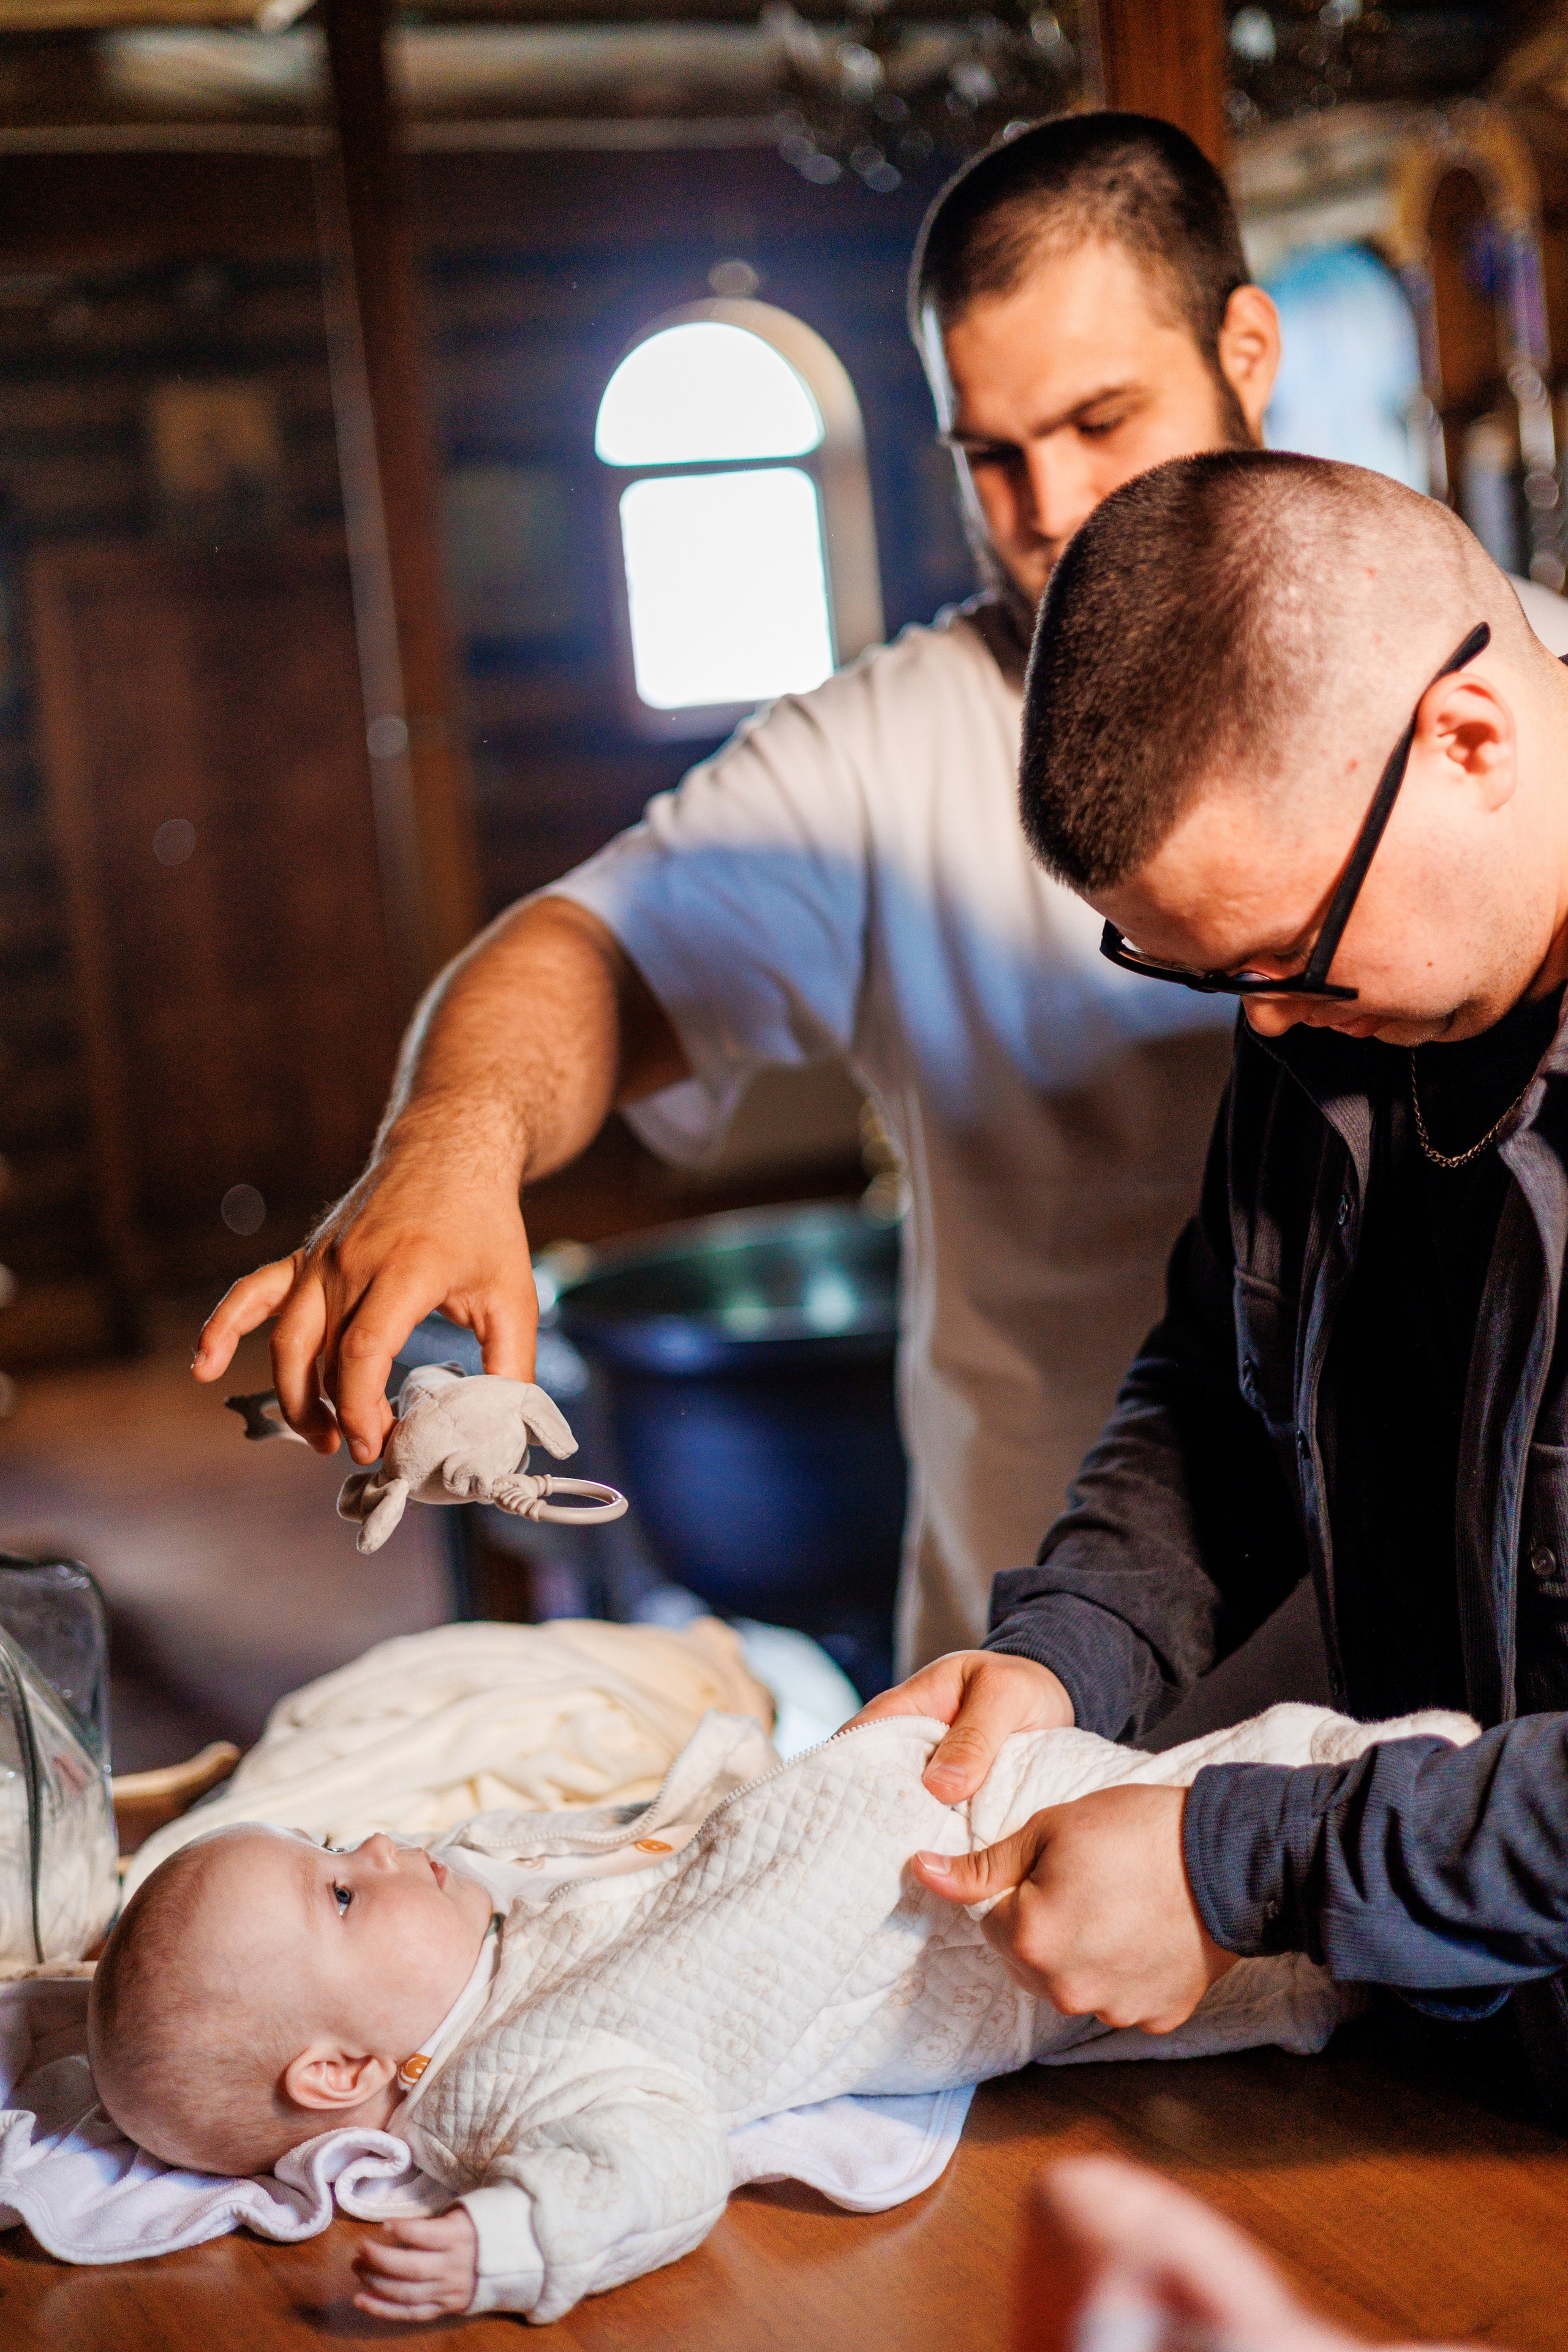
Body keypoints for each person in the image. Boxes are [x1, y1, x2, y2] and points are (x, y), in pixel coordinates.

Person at [192, 113, 1289, 1675]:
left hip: (1437, 1693)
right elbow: (591, 946)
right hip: (1037, 1661)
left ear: (1244, 347)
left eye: (1102, 421)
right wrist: (453, 1146)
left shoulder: (1506, 675)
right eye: (989, 453)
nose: (1046, 508)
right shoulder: (884, 744)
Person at [865, 451, 1568, 2113]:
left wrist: (1244, 1865)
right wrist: (1075, 1644)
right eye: (1201, 976)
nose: (1263, 1023)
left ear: (1467, 740)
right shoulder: (1331, 1004)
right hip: (1454, 2048)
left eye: (1284, 962)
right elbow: (1225, 1390)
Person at [89, 1698, 1461, 2319]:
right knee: (1306, 1794)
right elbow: (650, 2169)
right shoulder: (521, 2079)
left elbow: (623, 1853)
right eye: (340, 1893)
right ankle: (1428, 1839)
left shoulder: (484, 1933)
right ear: (339, 2074)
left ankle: (1416, 1828)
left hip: (990, 1795)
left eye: (344, 1841)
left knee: (1280, 1789)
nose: (381, 1847)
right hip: (986, 1902)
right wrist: (513, 2243)